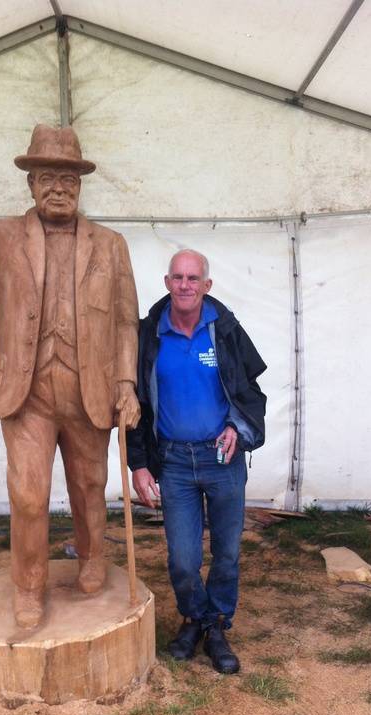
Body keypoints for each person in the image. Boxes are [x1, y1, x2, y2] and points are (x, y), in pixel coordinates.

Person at [0, 124, 140, 629]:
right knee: (28, 494)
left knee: (91, 485)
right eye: (48, 176)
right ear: (30, 183)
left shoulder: (111, 245)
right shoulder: (0, 237)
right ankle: (28, 586)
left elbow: (124, 322)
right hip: (25, 393)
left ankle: (93, 558)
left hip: (88, 388)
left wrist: (126, 384)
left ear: (81, 185)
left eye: (69, 179)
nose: (59, 187)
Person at [127, 249, 266, 673]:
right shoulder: (148, 335)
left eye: (194, 278)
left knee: (226, 553)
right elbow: (134, 405)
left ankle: (216, 625)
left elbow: (251, 394)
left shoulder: (224, 331)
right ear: (167, 282)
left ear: (207, 286)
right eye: (178, 277)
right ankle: (194, 617)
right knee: (184, 558)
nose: (185, 285)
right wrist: (139, 465)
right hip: (172, 462)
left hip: (220, 458)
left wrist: (236, 428)